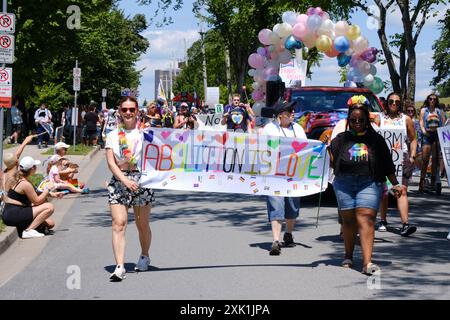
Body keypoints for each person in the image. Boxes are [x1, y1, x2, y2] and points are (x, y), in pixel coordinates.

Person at [329, 96, 402, 275]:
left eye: (361, 120)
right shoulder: (340, 139)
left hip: (370, 182)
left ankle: (367, 262)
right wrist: (325, 150)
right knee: (348, 220)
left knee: (366, 218)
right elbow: (332, 163)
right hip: (344, 183)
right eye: (353, 120)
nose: (357, 123)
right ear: (349, 120)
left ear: (366, 120)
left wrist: (395, 184)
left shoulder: (376, 140)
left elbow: (387, 164)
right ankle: (348, 255)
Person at [105, 96, 155, 281]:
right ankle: (119, 266)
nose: (128, 112)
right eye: (124, 109)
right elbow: (111, 163)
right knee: (119, 223)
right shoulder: (112, 135)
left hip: (142, 180)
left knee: (142, 224)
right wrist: (125, 180)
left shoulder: (146, 134)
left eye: (131, 109)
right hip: (120, 181)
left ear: (137, 112)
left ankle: (144, 255)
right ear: (119, 111)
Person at [262, 101, 307, 255]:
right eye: (289, 111)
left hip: (294, 173)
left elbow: (306, 147)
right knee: (276, 203)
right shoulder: (269, 128)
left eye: (293, 111)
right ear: (280, 114)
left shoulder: (298, 129)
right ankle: (275, 240)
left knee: (293, 205)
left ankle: (288, 233)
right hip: (275, 173)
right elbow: (263, 147)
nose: (292, 113)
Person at [377, 93, 417, 236]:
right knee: (384, 191)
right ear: (386, 102)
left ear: (400, 104)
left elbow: (413, 139)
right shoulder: (379, 118)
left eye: (397, 102)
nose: (394, 104)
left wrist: (412, 156)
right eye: (391, 101)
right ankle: (383, 220)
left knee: (402, 190)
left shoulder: (406, 119)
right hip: (383, 159)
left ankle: (405, 224)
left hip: (401, 158)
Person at [2, 156, 63, 238]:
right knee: (49, 207)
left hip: (14, 212)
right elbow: (37, 201)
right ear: (32, 168)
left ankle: (27, 227)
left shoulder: (21, 178)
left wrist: (52, 194)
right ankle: (28, 230)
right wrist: (47, 189)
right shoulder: (25, 183)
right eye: (35, 166)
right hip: (14, 215)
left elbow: (35, 193)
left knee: (50, 223)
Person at [419, 94, 445, 191]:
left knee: (435, 160)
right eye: (431, 99)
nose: (432, 100)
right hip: (427, 135)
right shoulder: (423, 110)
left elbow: (442, 122)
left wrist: (441, 135)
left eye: (434, 99)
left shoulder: (439, 111)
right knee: (425, 159)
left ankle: (433, 182)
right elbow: (421, 121)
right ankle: (421, 182)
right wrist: (424, 131)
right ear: (428, 100)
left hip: (436, 135)